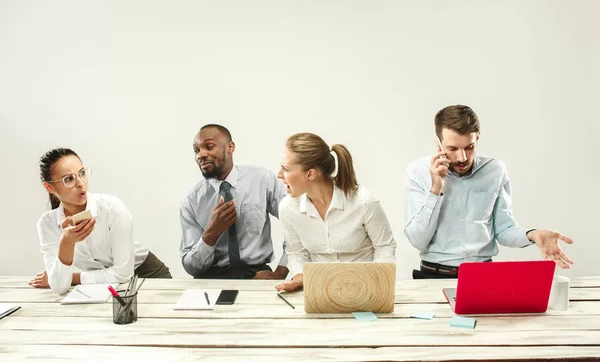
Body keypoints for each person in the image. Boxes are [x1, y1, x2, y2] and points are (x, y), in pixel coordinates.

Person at [404, 105, 574, 279]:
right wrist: (436, 190)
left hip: (483, 276)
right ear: (438, 144)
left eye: (469, 147)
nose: (462, 158)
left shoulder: (495, 170)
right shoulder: (418, 171)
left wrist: (532, 234)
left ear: (477, 137)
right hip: (433, 276)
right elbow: (418, 240)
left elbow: (504, 229)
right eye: (453, 149)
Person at [30, 148, 171, 294]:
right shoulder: (47, 224)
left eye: (82, 173)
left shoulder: (112, 208)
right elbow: (59, 287)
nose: (80, 183)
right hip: (106, 287)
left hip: (148, 275)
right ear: (49, 187)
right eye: (69, 179)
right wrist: (67, 242)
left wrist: (72, 278)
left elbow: (123, 274)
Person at [274, 133, 396, 293]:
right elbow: (296, 252)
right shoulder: (288, 208)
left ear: (310, 174)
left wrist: (378, 283)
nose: (279, 174)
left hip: (365, 290)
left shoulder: (363, 201)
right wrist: (299, 277)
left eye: (286, 169)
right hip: (319, 291)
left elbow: (385, 246)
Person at [179, 124, 289, 280]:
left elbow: (297, 227)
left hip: (256, 275)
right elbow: (191, 267)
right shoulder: (191, 201)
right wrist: (211, 232)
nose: (201, 155)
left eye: (209, 147)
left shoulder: (263, 180)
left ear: (230, 147)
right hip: (211, 279)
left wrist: (281, 272)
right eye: (196, 150)